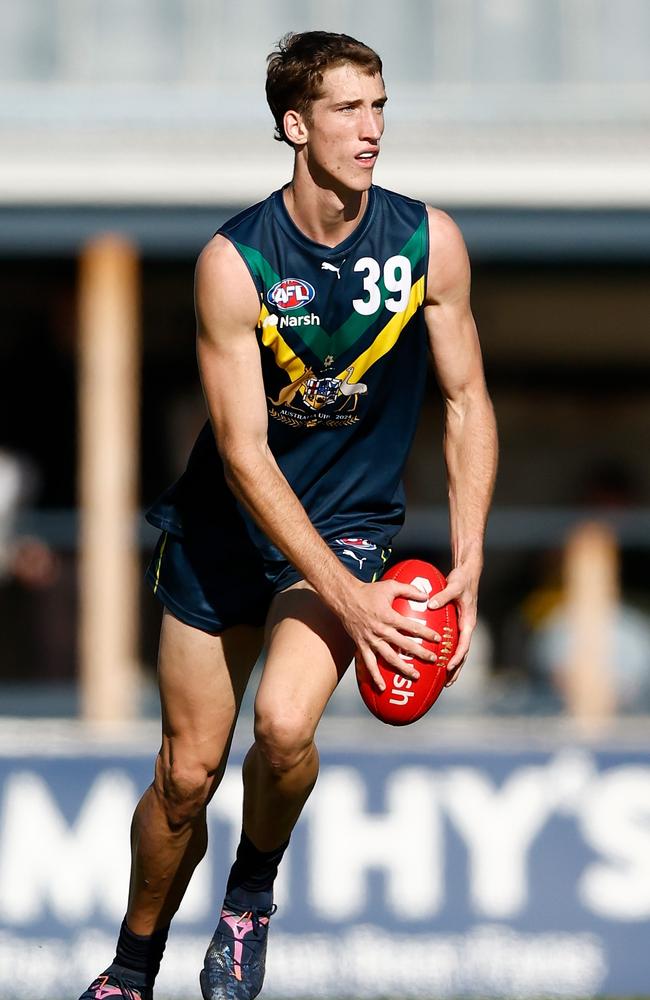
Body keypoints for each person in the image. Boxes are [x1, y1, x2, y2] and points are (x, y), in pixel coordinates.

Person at [78, 30, 497, 1000]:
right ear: (293, 125)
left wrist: (466, 560)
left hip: (347, 519)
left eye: (379, 105)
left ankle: (248, 895)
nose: (372, 128)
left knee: (281, 721)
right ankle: (130, 966)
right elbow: (242, 455)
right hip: (226, 524)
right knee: (185, 777)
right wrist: (353, 604)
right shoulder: (233, 264)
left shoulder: (425, 241)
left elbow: (467, 401)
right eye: (348, 109)